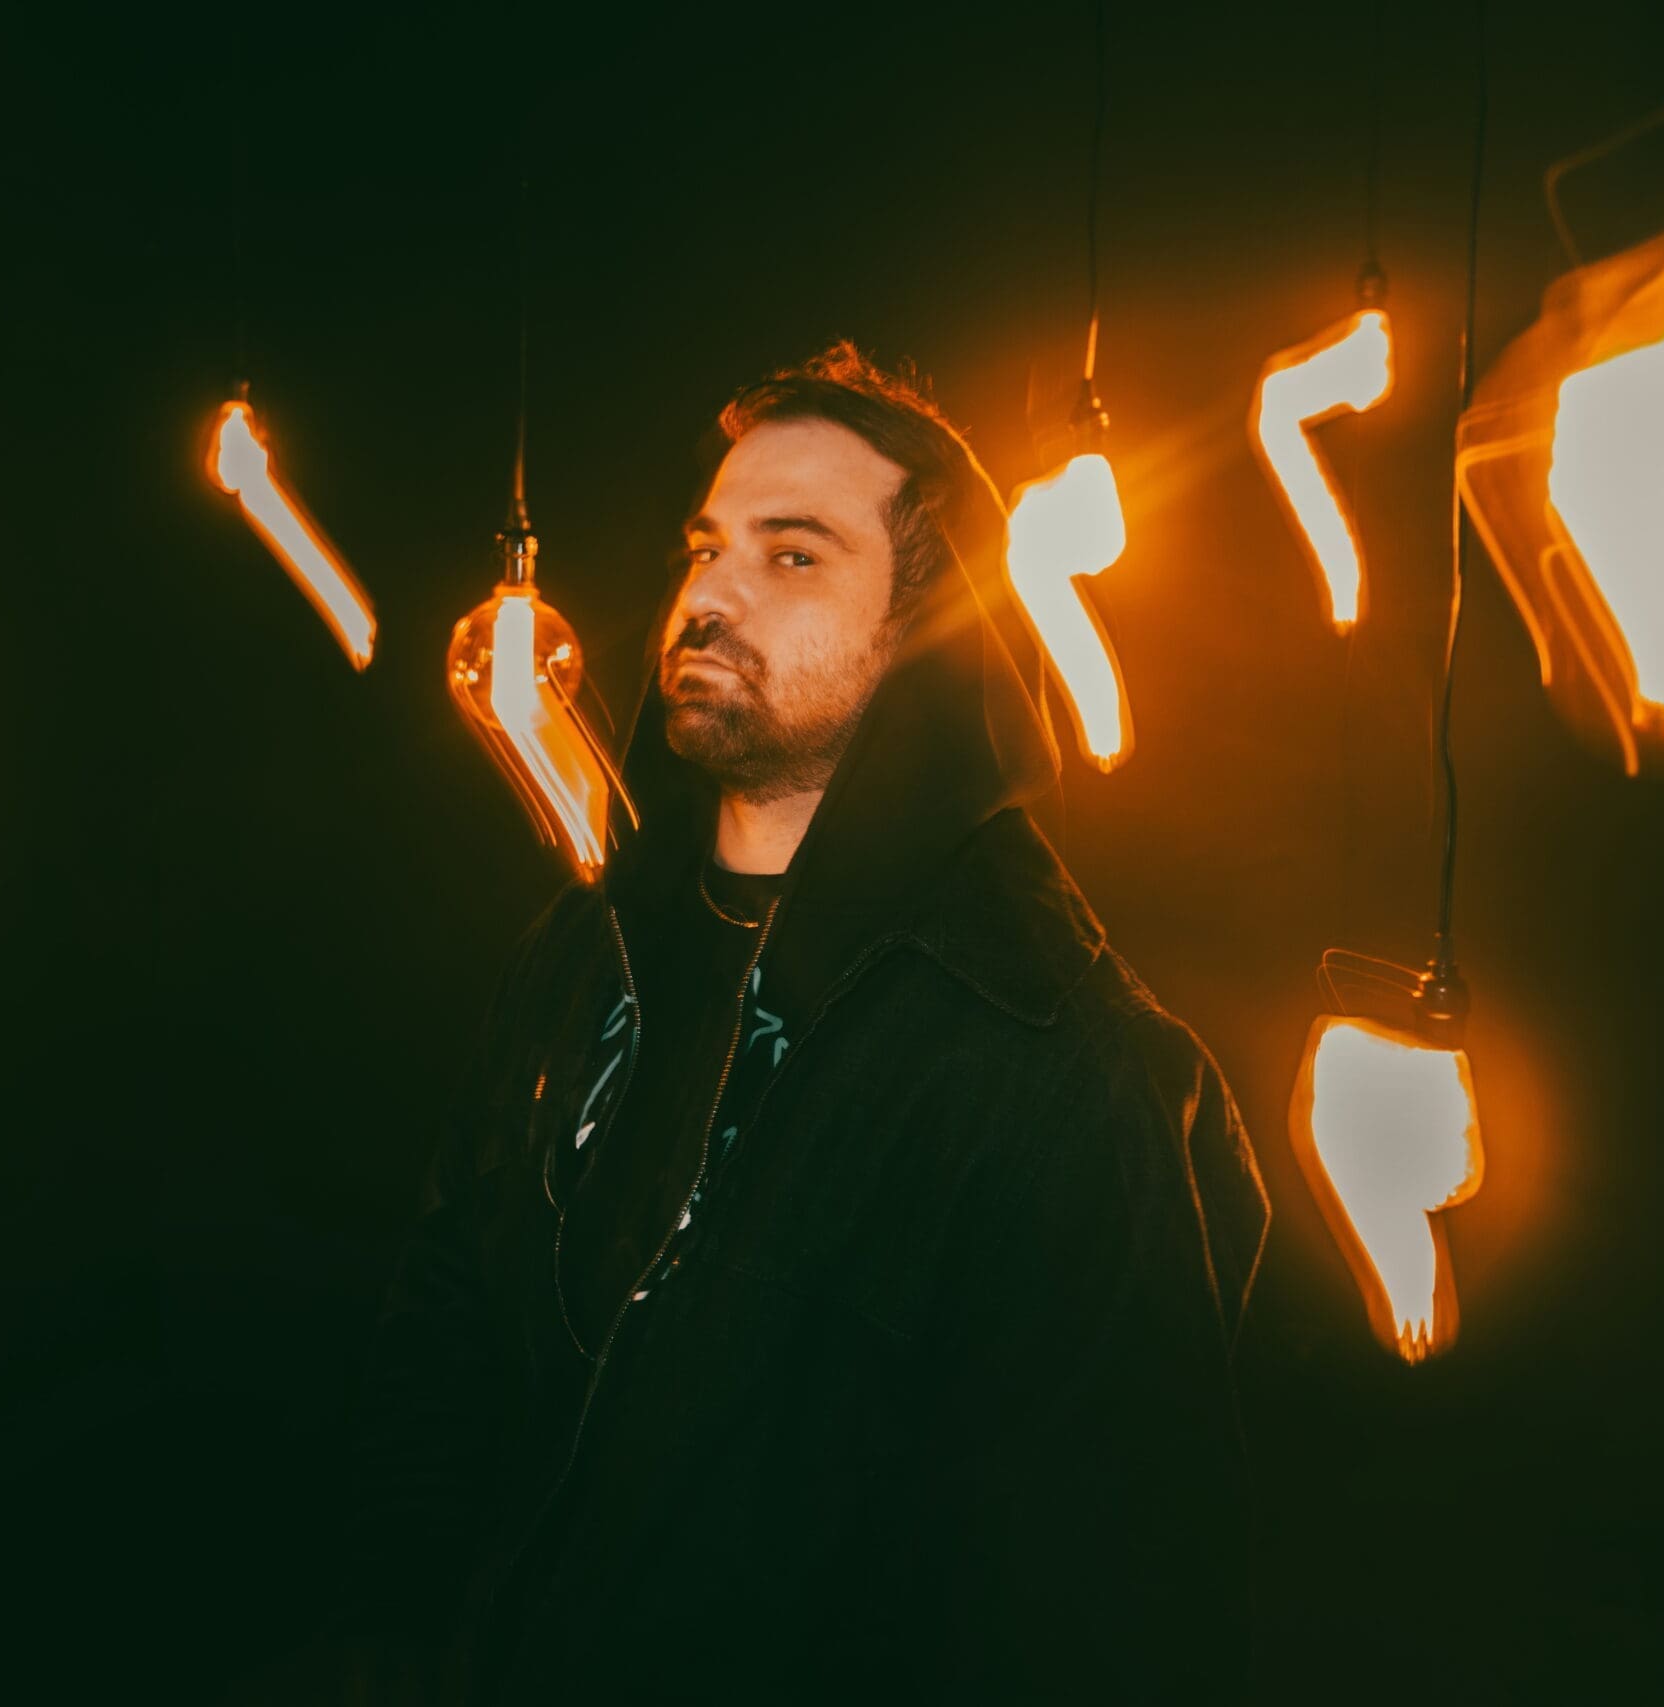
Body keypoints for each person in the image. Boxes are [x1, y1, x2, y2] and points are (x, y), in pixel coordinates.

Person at [348, 343, 1267, 1703]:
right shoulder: (587, 945)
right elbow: (447, 1303)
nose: (708, 596)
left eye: (792, 555)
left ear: (920, 622)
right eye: (705, 547)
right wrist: (400, 1638)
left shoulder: (1052, 1057)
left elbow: (1103, 1605)